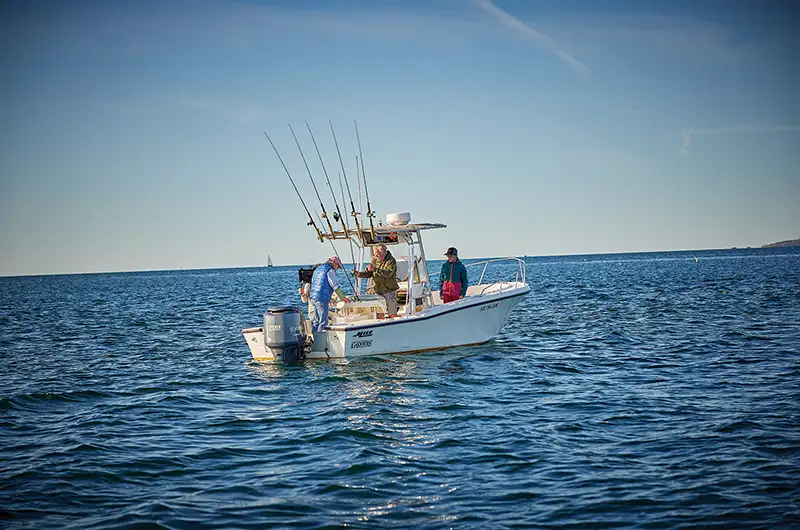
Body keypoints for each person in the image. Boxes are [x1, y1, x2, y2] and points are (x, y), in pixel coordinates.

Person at [353, 244, 399, 318]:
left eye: (378, 254)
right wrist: (359, 274)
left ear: (384, 252)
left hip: (389, 291)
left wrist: (374, 269)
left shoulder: (391, 261)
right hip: (378, 291)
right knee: (379, 315)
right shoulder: (374, 260)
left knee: (392, 314)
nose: (376, 256)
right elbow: (369, 274)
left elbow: (388, 273)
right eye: (375, 254)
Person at [309, 256, 351, 332]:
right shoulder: (330, 270)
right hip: (321, 298)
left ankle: (315, 339)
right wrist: (342, 298)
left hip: (313, 297)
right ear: (334, 264)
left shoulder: (318, 269)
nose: (337, 269)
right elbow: (334, 284)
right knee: (323, 322)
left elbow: (313, 282)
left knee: (316, 321)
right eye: (338, 266)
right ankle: (321, 341)